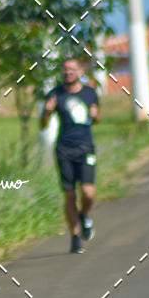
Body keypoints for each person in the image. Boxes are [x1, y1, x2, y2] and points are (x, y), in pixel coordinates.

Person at [40, 57, 99, 254]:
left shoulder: (90, 93)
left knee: (88, 192)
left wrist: (95, 115)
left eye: (72, 69)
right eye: (65, 70)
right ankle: (75, 236)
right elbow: (42, 124)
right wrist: (47, 112)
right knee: (70, 194)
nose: (68, 73)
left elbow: (97, 119)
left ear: (80, 71)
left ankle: (84, 215)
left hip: (86, 147)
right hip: (64, 149)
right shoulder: (55, 94)